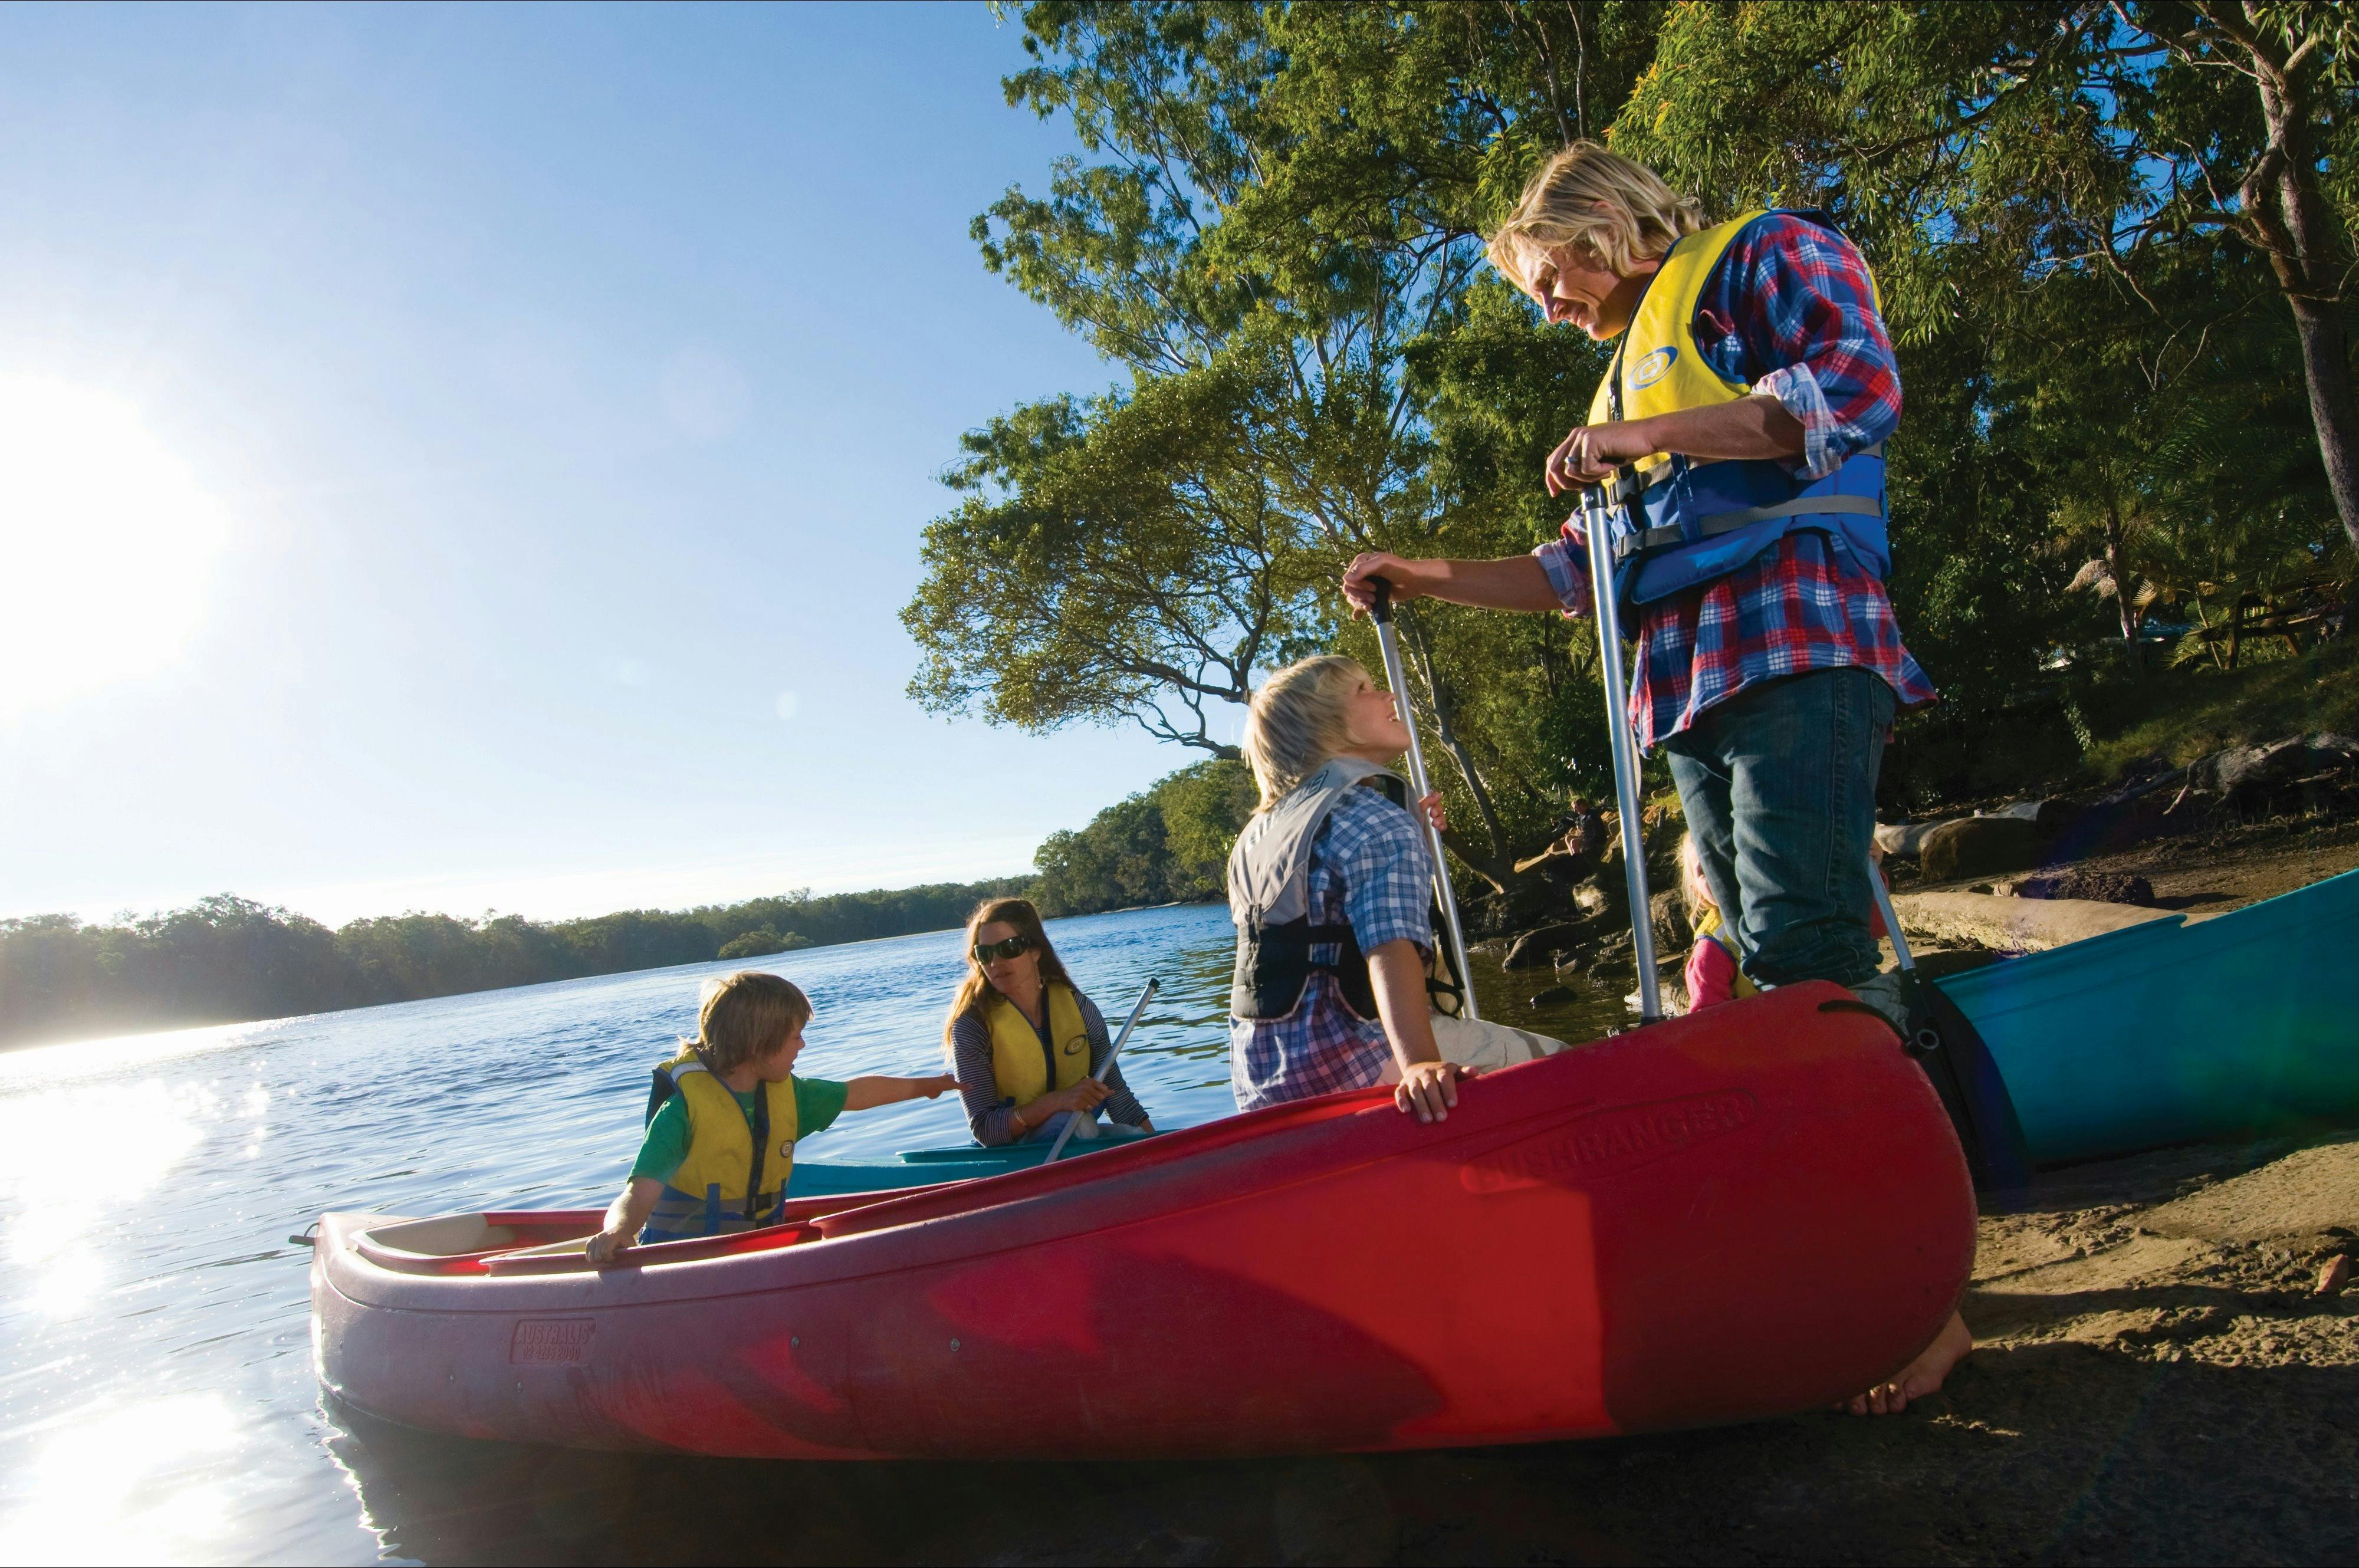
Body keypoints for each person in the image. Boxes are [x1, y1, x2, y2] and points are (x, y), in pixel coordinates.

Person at [1338, 143, 1966, 1414]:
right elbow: (1578, 570)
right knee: (1747, 981)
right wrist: (1426, 576)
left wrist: (1634, 432)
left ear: (1600, 226)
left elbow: (1848, 386)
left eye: (1549, 279)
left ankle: (1924, 1302)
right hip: (1686, 691)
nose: (1552, 306)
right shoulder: (1624, 379)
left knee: (1806, 961)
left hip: (1795, 646)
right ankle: (1834, 1260)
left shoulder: (1763, 256)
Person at [1228, 655, 1566, 1125]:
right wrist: (1420, 1062)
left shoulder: (1257, 838)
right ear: (1325, 727)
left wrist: (1417, 843)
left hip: (1264, 1084)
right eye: (1364, 689)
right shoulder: (1375, 818)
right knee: (1564, 1063)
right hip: (1360, 1060)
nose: (1388, 695)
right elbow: (1388, 946)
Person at [586, 971, 954, 1264]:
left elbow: (857, 1093)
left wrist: (927, 1086)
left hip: (756, 1255)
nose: (802, 1045)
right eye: (795, 1036)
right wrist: (619, 1230)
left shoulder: (789, 1095)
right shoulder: (682, 1112)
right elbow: (639, 1191)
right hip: (684, 1263)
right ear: (759, 1044)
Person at [945, 897, 1154, 1147]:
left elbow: (1117, 1096)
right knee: (1081, 1125)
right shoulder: (972, 1026)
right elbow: (985, 1129)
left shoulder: (1081, 1009)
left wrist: (1160, 1149)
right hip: (1015, 1154)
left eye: (1009, 948)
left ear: (1035, 950)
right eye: (985, 953)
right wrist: (1058, 1101)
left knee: (1133, 1137)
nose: (995, 963)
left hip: (1073, 1137)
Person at [1680, 832, 1752, 1013]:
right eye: (1704, 871)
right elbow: (1708, 1019)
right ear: (1697, 892)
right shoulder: (1712, 950)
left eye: (1724, 859)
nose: (1717, 873)